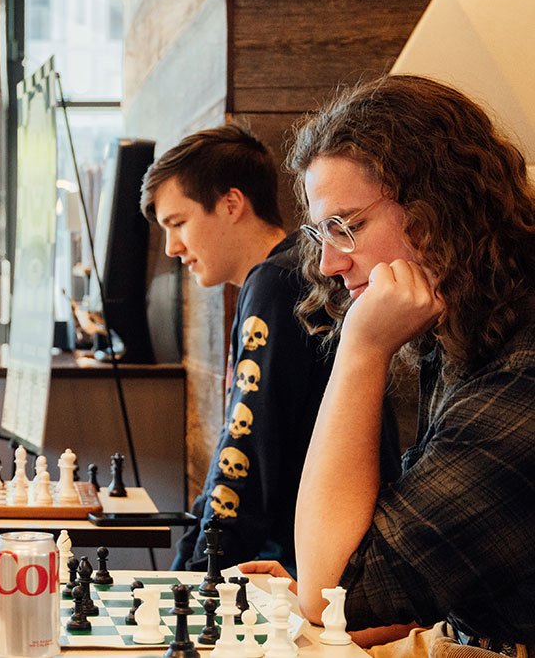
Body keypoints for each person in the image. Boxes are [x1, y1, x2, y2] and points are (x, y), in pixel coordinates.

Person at [242, 75, 535, 654]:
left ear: (438, 208)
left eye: (346, 227)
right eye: (320, 232)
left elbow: (339, 596)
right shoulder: (468, 332)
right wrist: (316, 599)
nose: (328, 263)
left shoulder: (523, 371)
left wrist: (361, 348)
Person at [141, 124, 401, 574]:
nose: (172, 247)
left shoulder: (275, 283)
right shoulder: (293, 273)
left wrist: (191, 575)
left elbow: (246, 459)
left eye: (178, 223)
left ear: (231, 204)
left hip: (303, 567)